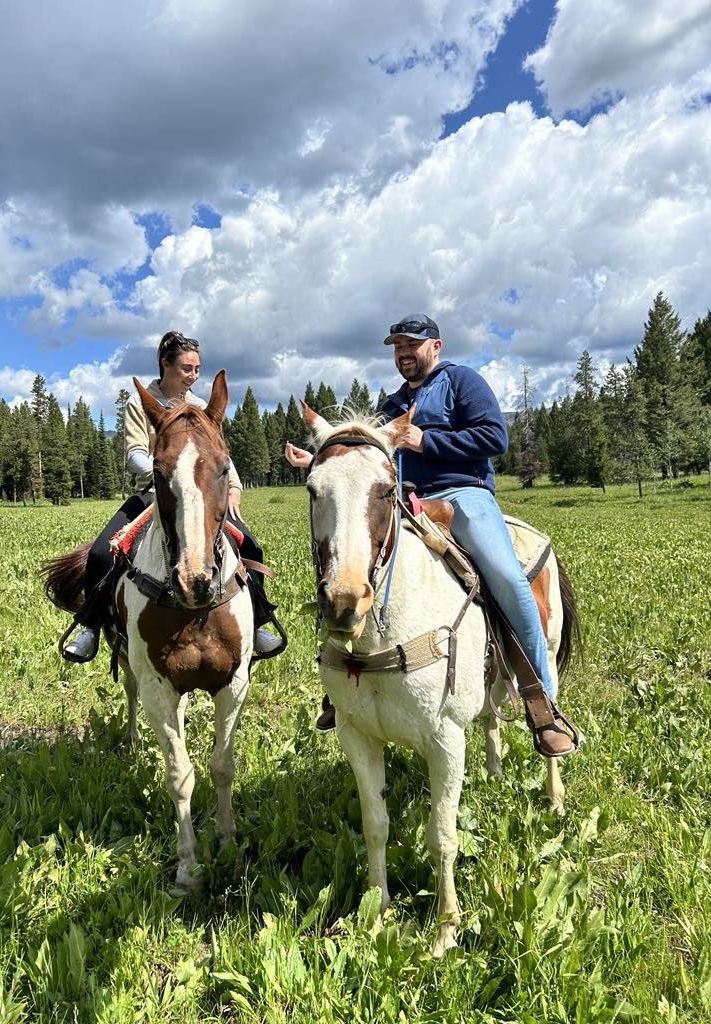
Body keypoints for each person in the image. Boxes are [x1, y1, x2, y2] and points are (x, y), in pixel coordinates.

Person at [285, 313, 577, 757]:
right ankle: (339, 686)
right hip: (405, 498)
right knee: (349, 560)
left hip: (463, 495)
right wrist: (320, 462)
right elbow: (366, 457)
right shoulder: (392, 402)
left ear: (435, 347)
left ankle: (542, 705)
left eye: (412, 345)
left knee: (506, 577)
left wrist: (427, 442)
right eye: (397, 347)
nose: (403, 353)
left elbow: (494, 437)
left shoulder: (462, 382)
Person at [62, 330, 284, 662]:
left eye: (197, 369)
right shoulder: (140, 403)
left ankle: (258, 622)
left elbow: (219, 455)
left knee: (250, 546)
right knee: (99, 554)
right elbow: (135, 450)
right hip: (155, 492)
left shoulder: (199, 407)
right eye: (186, 369)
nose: (193, 376)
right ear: (165, 365)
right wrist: (163, 472)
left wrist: (234, 486)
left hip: (202, 496)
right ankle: (91, 627)